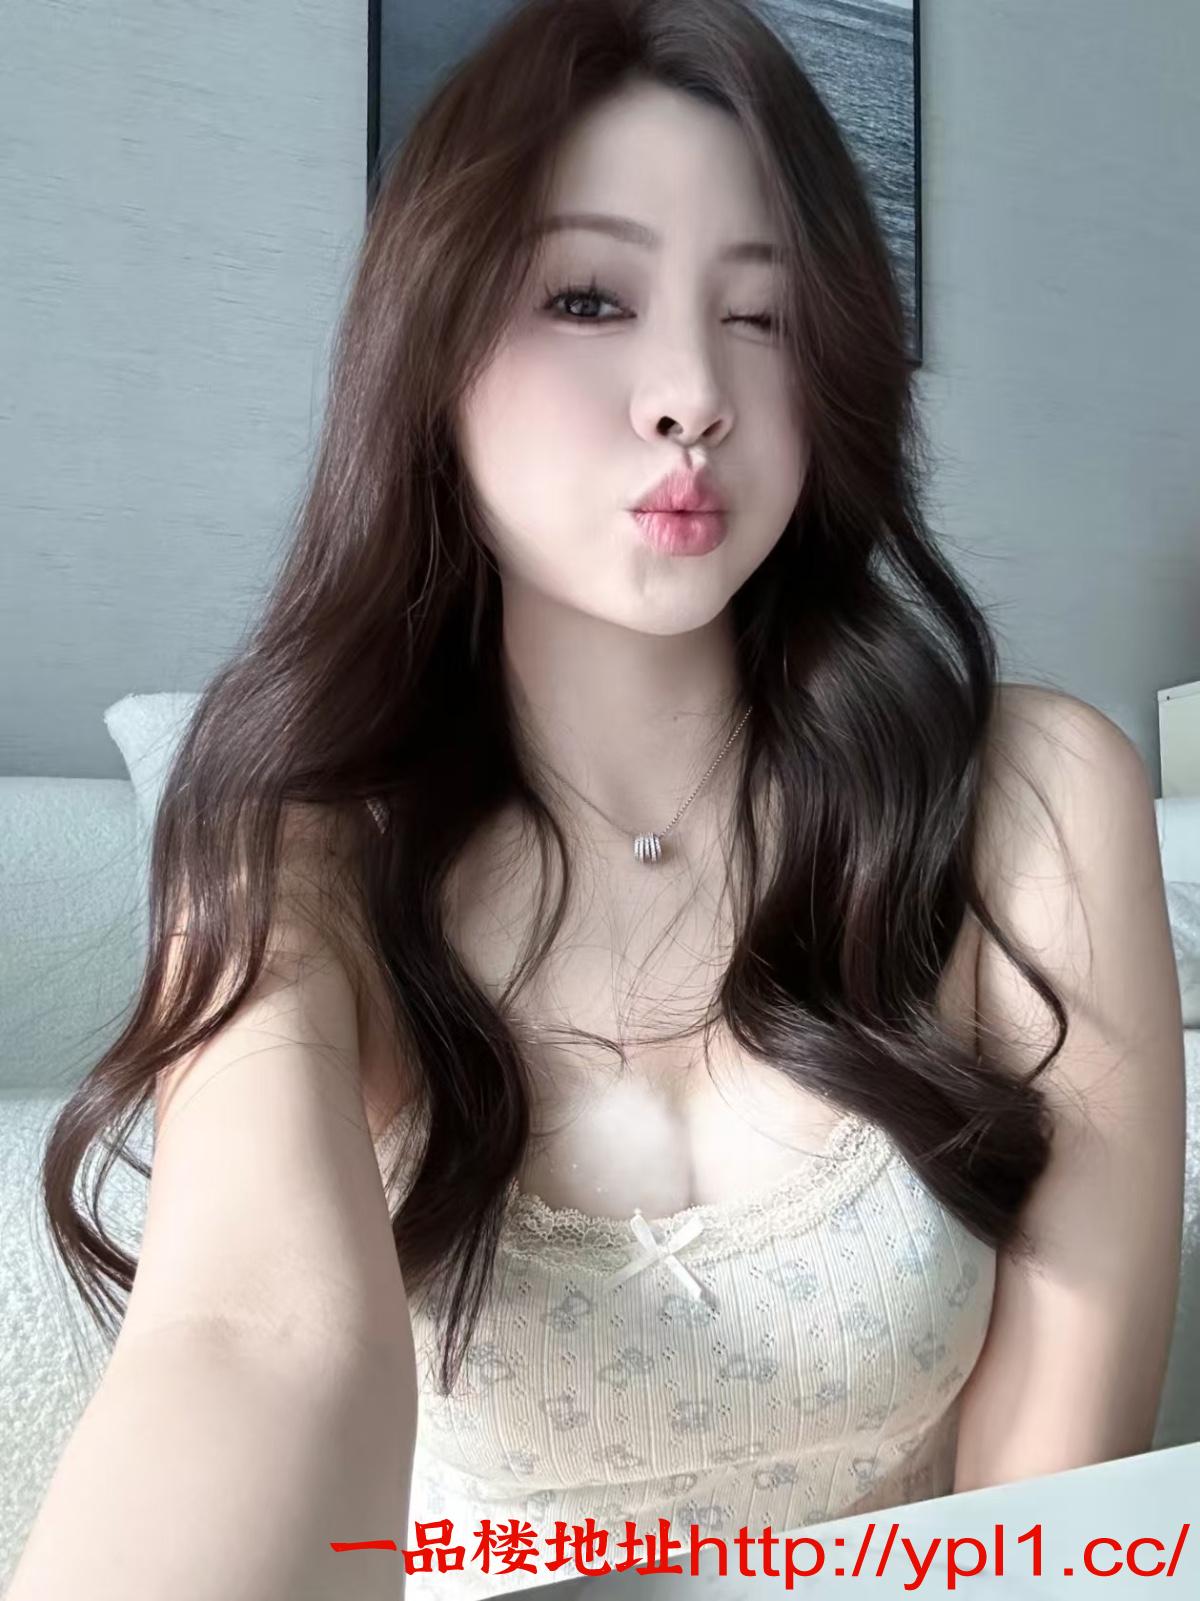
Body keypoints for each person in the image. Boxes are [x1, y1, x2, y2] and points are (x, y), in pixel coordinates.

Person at [12, 1, 1185, 1598]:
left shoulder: (1034, 802)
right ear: (432, 346)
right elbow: (246, 1339)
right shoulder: (294, 850)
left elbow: (1055, 1514)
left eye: (763, 316)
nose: (693, 390)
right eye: (587, 297)